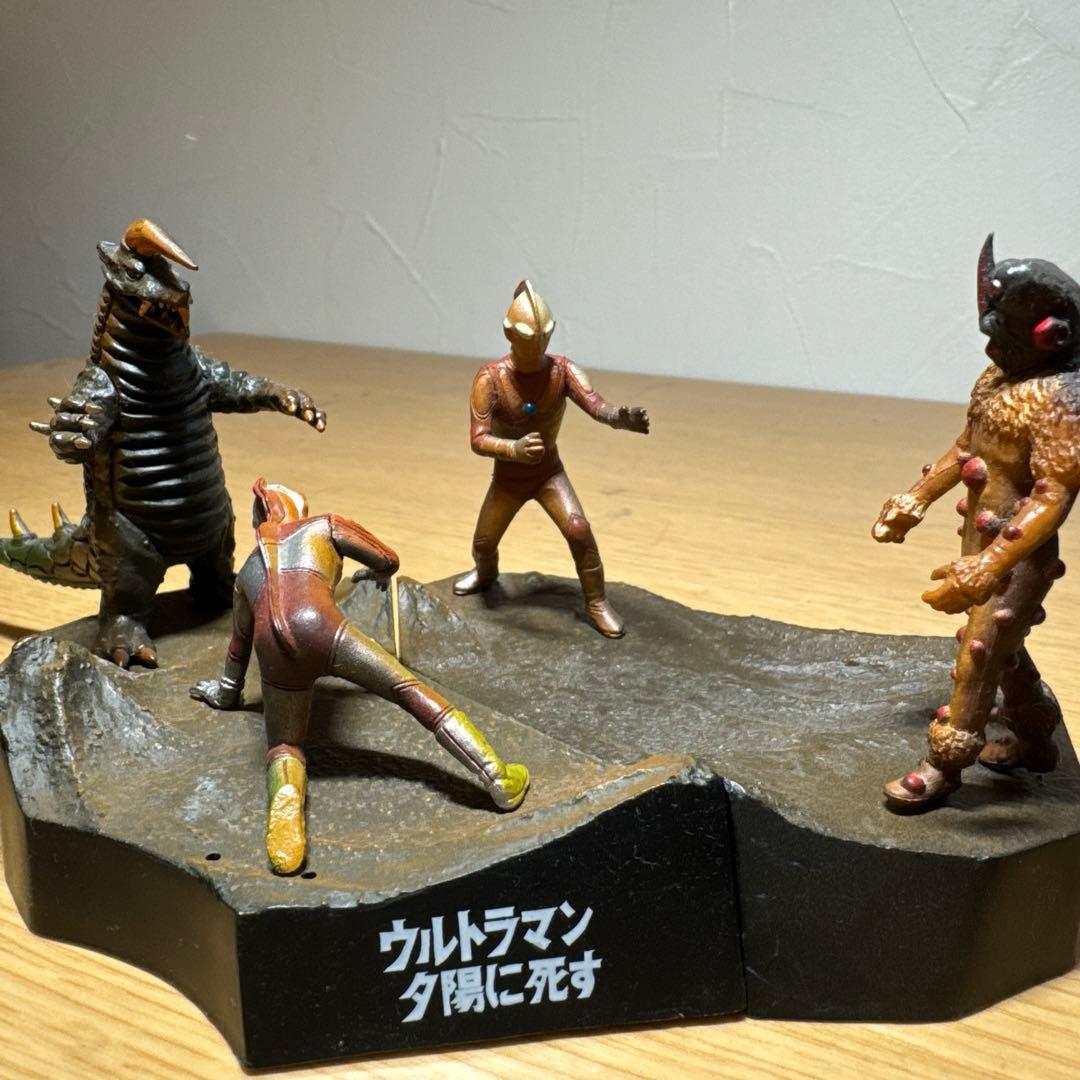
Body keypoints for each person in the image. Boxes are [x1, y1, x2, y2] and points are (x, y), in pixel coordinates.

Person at [191, 479, 529, 873]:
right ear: (299, 508)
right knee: (410, 692)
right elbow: (387, 558)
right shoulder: (324, 526)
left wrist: (224, 693)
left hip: (276, 652)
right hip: (327, 630)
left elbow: (238, 649)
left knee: (284, 745)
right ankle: (497, 777)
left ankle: (286, 813)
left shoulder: (248, 571)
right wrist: (375, 574)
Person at [455, 280, 650, 637]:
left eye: (543, 340)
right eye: (529, 341)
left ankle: (596, 601)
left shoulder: (562, 371)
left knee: (579, 530)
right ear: (510, 335)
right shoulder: (490, 379)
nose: (538, 348)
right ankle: (485, 574)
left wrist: (618, 417)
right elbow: (478, 439)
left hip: (549, 474)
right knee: (484, 543)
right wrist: (513, 449)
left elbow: (595, 404)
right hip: (508, 480)